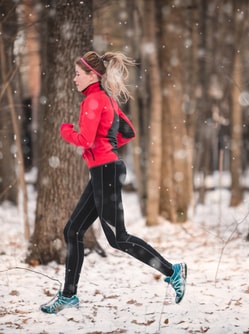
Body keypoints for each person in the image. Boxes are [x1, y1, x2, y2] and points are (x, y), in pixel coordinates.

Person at [40, 51, 187, 314]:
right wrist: (108, 145)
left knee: (118, 238)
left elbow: (84, 139)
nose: (74, 79)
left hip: (105, 171)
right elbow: (128, 131)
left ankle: (173, 271)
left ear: (91, 75)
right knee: (72, 230)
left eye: (77, 74)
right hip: (104, 170)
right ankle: (69, 295)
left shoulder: (94, 101)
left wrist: (66, 131)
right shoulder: (104, 99)